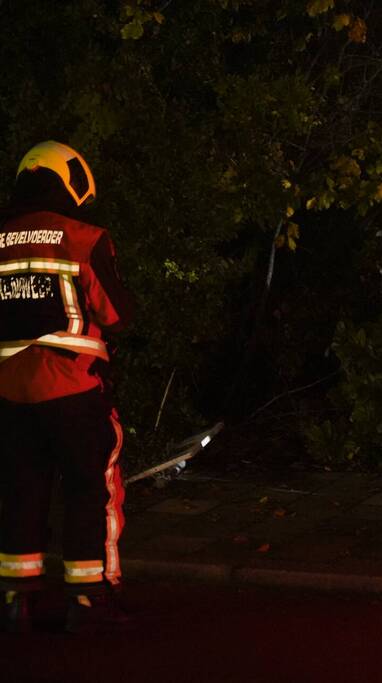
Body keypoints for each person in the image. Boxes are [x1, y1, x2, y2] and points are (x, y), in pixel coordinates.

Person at [0, 141, 133, 633]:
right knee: (88, 490)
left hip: (10, 397)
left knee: (20, 492)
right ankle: (86, 601)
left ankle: (15, 599)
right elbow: (116, 315)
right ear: (70, 180)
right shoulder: (84, 237)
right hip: (74, 391)